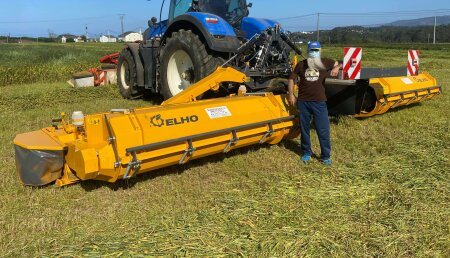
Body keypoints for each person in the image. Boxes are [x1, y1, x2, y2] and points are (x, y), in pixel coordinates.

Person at [287, 41, 341, 165]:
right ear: (308, 51)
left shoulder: (325, 62)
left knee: (323, 129)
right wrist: (291, 94)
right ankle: (306, 152)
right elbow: (291, 79)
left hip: (319, 102)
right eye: (312, 50)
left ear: (320, 51)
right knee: (304, 128)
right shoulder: (301, 65)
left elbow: (340, 64)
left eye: (316, 50)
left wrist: (337, 67)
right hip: (303, 102)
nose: (314, 53)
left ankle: (325, 156)